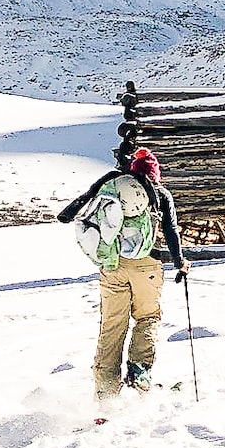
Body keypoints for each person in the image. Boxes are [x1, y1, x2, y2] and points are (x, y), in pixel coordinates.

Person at [57, 147, 189, 399]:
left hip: (113, 266)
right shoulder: (160, 193)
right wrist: (180, 262)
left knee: (112, 326)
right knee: (148, 316)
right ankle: (139, 370)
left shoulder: (111, 186)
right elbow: (171, 231)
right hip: (147, 266)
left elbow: (69, 214)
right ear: (154, 173)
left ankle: (105, 390)